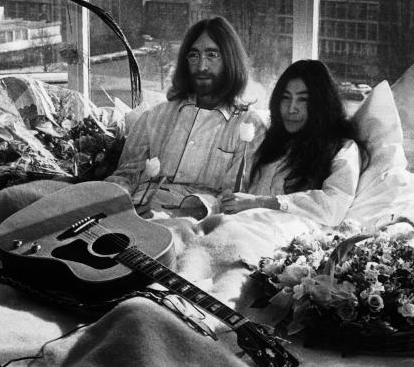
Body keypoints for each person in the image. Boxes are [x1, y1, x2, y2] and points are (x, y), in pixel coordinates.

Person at [106, 16, 266, 219]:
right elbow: (126, 174)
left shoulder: (249, 126)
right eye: (194, 56)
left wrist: (180, 213)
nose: (201, 67)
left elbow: (235, 200)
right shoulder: (155, 116)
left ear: (230, 60)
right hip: (134, 213)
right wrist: (114, 199)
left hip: (198, 224)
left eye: (212, 55)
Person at [219, 60, 364, 227]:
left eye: (303, 99)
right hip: (242, 226)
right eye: (286, 98)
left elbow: (333, 206)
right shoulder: (269, 142)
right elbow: (235, 191)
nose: (291, 108)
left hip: (283, 236)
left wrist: (259, 202)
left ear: (321, 104)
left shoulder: (342, 149)